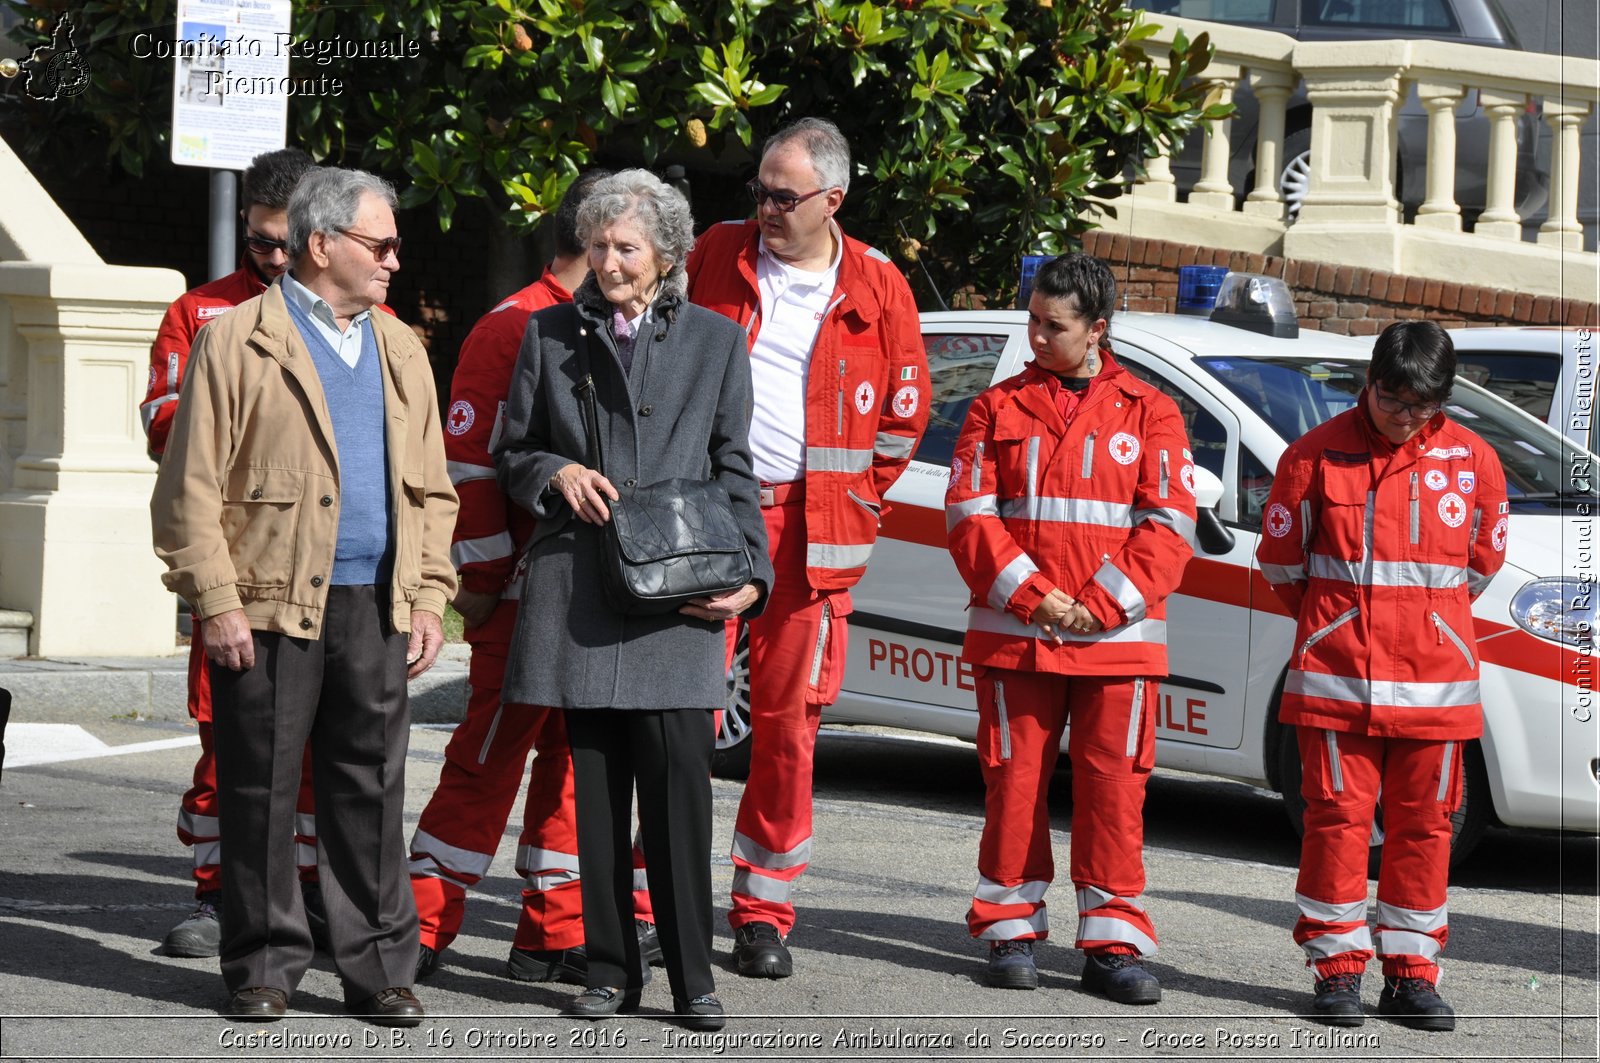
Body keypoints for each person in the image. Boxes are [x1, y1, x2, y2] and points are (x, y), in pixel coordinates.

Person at [150, 167, 457, 1027]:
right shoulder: (237, 338)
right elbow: (189, 491)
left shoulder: (401, 346)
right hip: (270, 604)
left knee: (371, 790)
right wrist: (215, 599)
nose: (395, 259)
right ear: (322, 246)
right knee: (261, 792)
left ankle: (380, 969)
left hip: (375, 605)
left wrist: (429, 594)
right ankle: (262, 964)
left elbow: (432, 491)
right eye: (381, 244)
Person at [494, 168, 772, 1031]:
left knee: (681, 798)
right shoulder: (547, 334)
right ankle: (610, 967)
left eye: (625, 247)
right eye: (598, 244)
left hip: (681, 598)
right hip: (584, 596)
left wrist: (753, 579)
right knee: (599, 798)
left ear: (666, 256)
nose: (607, 261)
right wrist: (556, 471)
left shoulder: (719, 342)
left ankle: (695, 977)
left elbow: (736, 469)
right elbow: (514, 450)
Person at [685, 117, 929, 979]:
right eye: (757, 190)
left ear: (834, 199)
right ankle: (652, 898)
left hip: (812, 531)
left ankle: (762, 911)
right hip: (707, 514)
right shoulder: (713, 252)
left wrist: (854, 494)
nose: (763, 208)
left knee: (788, 729)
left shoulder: (879, 284)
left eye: (782, 197)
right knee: (677, 710)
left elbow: (904, 418)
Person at [407, 169, 663, 984]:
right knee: (487, 760)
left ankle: (552, 931)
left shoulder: (607, 325)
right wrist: (478, 578)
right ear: (590, 237)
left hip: (591, 597)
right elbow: (471, 468)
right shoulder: (515, 324)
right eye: (620, 238)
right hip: (521, 596)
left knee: (570, 765)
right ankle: (418, 926)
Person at [944, 253, 1195, 1003]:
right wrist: (1037, 598)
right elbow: (969, 517)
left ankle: (1113, 943)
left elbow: (1170, 523)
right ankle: (1010, 929)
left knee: (1114, 792)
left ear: (1098, 330)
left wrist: (1102, 604)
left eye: (1053, 326)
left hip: (1116, 644)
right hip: (1019, 637)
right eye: (1031, 321)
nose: (1035, 337)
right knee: (1014, 786)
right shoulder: (996, 407)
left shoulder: (1151, 411)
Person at [1256, 320, 1508, 1031]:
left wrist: (1430, 624)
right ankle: (1336, 970)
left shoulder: (1473, 460)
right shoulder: (1314, 454)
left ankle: (1412, 975)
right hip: (1338, 680)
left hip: (1436, 687)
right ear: (1370, 384)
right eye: (1393, 401)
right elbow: (1282, 564)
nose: (1404, 418)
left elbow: (1481, 565)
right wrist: (1338, 624)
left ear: (1443, 400)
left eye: (1420, 407)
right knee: (1335, 824)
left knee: (1426, 827)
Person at [139, 147, 327, 959]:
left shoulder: (356, 319)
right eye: (260, 242)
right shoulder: (200, 313)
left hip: (323, 569)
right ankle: (221, 897)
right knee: (228, 739)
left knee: (330, 744)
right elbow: (165, 428)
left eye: (290, 243)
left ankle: (312, 896)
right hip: (234, 562)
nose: (275, 259)